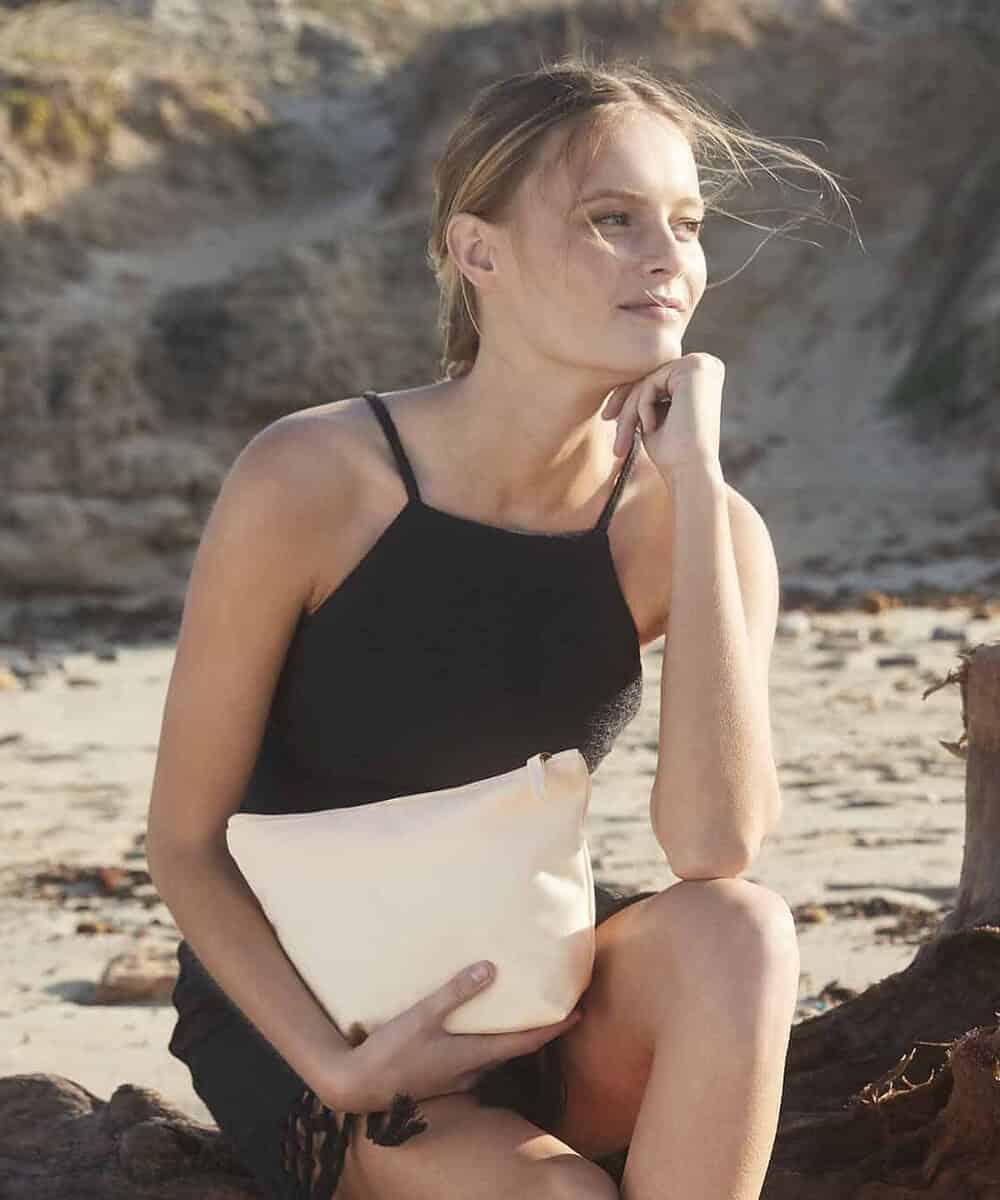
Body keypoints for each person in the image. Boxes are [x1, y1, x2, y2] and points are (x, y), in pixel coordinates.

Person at [146, 55, 852, 1200]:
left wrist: (700, 491)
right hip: (328, 1019)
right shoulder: (316, 478)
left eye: (684, 222)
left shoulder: (690, 523)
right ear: (478, 252)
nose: (667, 257)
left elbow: (713, 850)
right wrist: (340, 1069)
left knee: (743, 930)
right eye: (611, 220)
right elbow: (183, 842)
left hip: (531, 988)